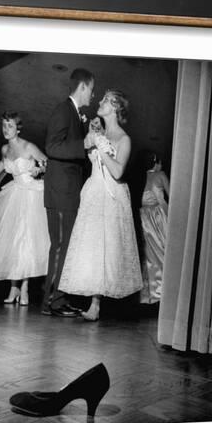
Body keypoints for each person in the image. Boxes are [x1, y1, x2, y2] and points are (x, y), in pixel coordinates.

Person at [58, 90, 143, 321]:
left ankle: (99, 304)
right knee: (92, 247)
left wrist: (102, 147)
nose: (100, 102)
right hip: (94, 190)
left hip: (112, 195)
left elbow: (117, 171)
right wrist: (93, 137)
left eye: (105, 100)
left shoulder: (124, 139)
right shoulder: (99, 132)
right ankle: (94, 304)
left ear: (115, 107)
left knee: (108, 247)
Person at [0, 111, 50, 306]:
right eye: (4, 126)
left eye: (10, 126)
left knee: (26, 240)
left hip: (31, 194)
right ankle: (14, 286)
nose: (6, 130)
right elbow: (4, 165)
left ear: (18, 128)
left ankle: (25, 286)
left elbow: (48, 163)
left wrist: (39, 169)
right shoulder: (5, 149)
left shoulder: (28, 147)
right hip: (14, 192)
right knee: (11, 240)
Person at [42, 68, 95, 317]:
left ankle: (60, 299)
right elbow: (52, 146)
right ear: (83, 87)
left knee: (64, 247)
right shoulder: (63, 110)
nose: (92, 96)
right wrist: (83, 144)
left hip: (69, 193)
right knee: (60, 246)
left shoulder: (75, 113)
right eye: (91, 90)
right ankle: (51, 301)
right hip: (61, 192)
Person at [139, 153, 170, 304]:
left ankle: (149, 295)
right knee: (163, 253)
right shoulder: (161, 174)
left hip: (143, 218)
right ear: (157, 163)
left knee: (148, 258)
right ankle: (165, 294)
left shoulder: (141, 177)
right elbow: (172, 194)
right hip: (158, 218)